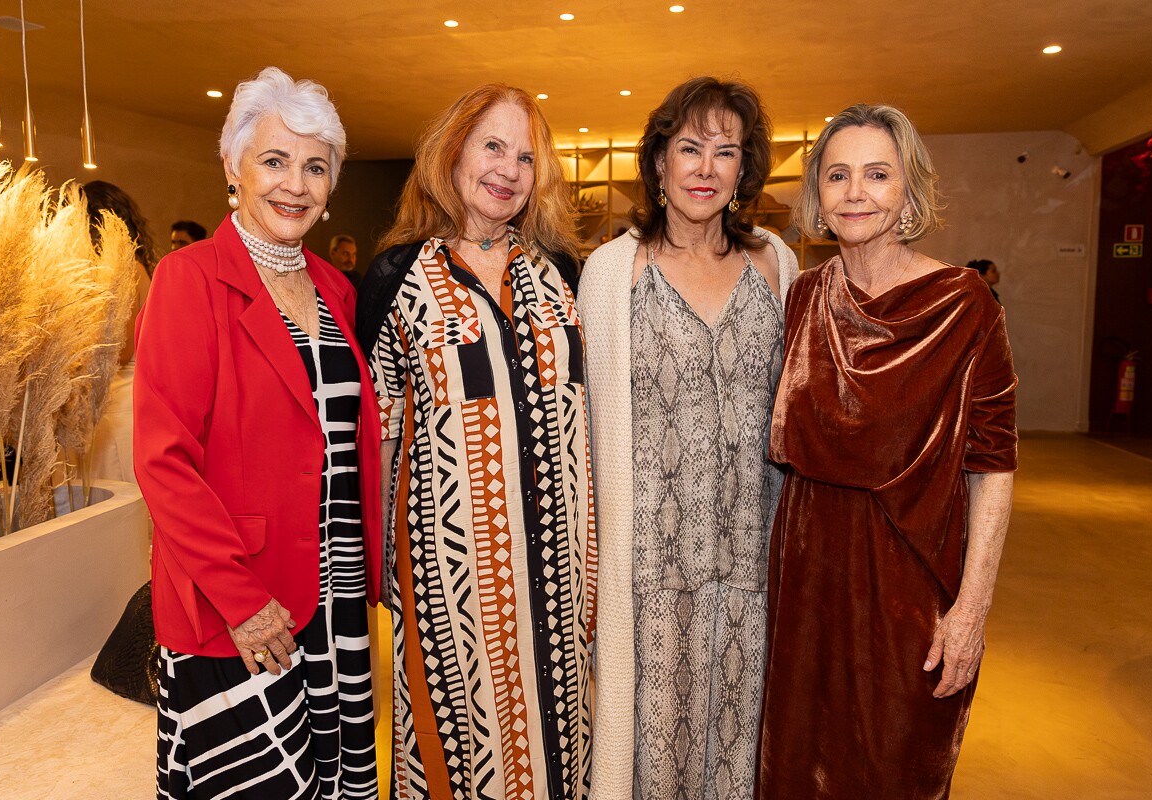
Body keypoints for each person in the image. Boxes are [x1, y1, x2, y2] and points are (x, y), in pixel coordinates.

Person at [134, 66, 383, 800]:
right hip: (235, 597)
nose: (295, 185)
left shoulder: (337, 290)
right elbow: (163, 461)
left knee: (332, 779)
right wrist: (240, 599)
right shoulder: (188, 280)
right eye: (274, 161)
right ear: (232, 168)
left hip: (333, 592)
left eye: (315, 167)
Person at [758, 104, 1018, 799]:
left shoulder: (964, 302)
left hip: (911, 578)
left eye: (878, 174)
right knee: (799, 765)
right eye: (837, 175)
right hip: (808, 570)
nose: (855, 192)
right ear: (817, 194)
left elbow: (993, 466)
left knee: (895, 767)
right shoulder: (806, 295)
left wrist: (971, 611)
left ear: (910, 190)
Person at [358, 84, 595, 800]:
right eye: (493, 145)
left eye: (526, 156)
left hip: (560, 572)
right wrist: (380, 575)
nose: (509, 169)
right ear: (453, 152)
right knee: (457, 760)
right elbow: (378, 435)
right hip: (450, 585)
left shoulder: (559, 277)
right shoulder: (398, 278)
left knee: (563, 745)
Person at [577, 77, 800, 800]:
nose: (706, 167)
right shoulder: (612, 272)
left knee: (745, 747)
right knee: (651, 758)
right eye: (690, 148)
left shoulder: (775, 265)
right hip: (649, 569)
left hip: (752, 560)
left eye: (725, 152)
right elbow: (584, 433)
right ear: (660, 164)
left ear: (744, 171)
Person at [81, 180, 153, 483]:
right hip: (109, 405)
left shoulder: (123, 267)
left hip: (119, 406)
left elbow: (119, 351)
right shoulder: (122, 266)